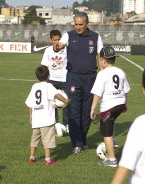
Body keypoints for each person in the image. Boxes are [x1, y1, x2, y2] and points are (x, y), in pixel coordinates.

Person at [54, 12, 104, 153]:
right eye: (76, 24)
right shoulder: (68, 35)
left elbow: (102, 56)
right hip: (73, 78)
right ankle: (76, 143)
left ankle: (82, 139)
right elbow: (60, 45)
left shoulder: (95, 37)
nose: (78, 27)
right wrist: (58, 46)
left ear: (87, 23)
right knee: (74, 111)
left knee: (88, 112)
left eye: (81, 24)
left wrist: (103, 74)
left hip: (91, 79)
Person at [90, 46, 130, 167]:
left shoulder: (102, 74)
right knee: (111, 124)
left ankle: (112, 160)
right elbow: (126, 90)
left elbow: (97, 92)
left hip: (109, 106)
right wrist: (125, 104)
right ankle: (113, 144)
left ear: (102, 60)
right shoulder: (121, 72)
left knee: (106, 133)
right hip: (120, 104)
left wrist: (92, 109)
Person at [25, 65, 69, 166]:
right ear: (48, 76)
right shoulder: (49, 86)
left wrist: (31, 116)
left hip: (36, 119)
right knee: (47, 140)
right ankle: (48, 160)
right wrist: (66, 101)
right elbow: (57, 95)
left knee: (34, 139)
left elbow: (29, 103)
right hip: (46, 119)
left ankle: (31, 157)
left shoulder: (34, 86)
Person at [41, 29, 68, 131]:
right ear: (51, 40)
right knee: (52, 103)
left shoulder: (65, 50)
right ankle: (55, 123)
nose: (57, 42)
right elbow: (44, 66)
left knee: (66, 102)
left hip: (64, 79)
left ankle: (67, 124)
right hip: (51, 80)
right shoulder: (47, 51)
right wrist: (44, 80)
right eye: (54, 40)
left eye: (58, 39)